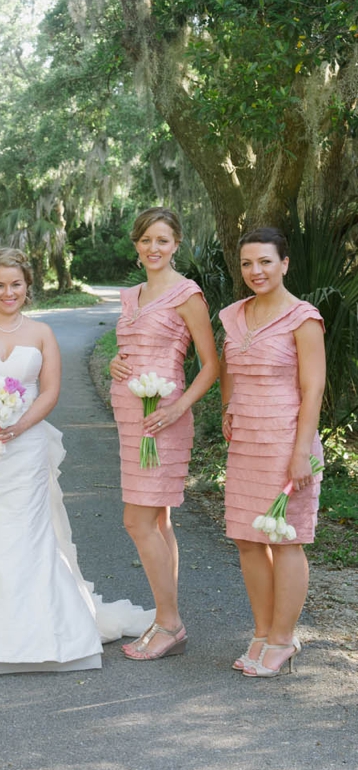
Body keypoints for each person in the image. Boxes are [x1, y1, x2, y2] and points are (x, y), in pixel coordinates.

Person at [0, 247, 154, 674]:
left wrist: (18, 426)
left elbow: (51, 391)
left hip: (27, 444)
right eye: (0, 284)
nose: (8, 292)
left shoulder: (42, 333)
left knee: (29, 530)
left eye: (16, 284)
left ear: (27, 286)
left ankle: (41, 633)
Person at [109, 207, 219, 661]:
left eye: (162, 240)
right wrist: (116, 363)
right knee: (157, 521)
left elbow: (211, 365)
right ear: (136, 245)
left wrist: (178, 406)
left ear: (177, 245)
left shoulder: (187, 294)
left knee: (137, 520)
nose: (153, 248)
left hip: (165, 421)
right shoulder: (131, 295)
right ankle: (165, 619)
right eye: (145, 240)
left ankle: (170, 624)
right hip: (129, 414)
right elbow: (131, 347)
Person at [220, 226, 325, 677]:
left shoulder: (303, 318)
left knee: (285, 540)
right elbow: (228, 367)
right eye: (247, 263)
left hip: (286, 439)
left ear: (284, 264)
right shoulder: (233, 315)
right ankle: (262, 632)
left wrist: (302, 451)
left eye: (265, 261)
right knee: (247, 538)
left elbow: (313, 385)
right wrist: (227, 405)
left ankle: (283, 639)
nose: (255, 271)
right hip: (246, 441)